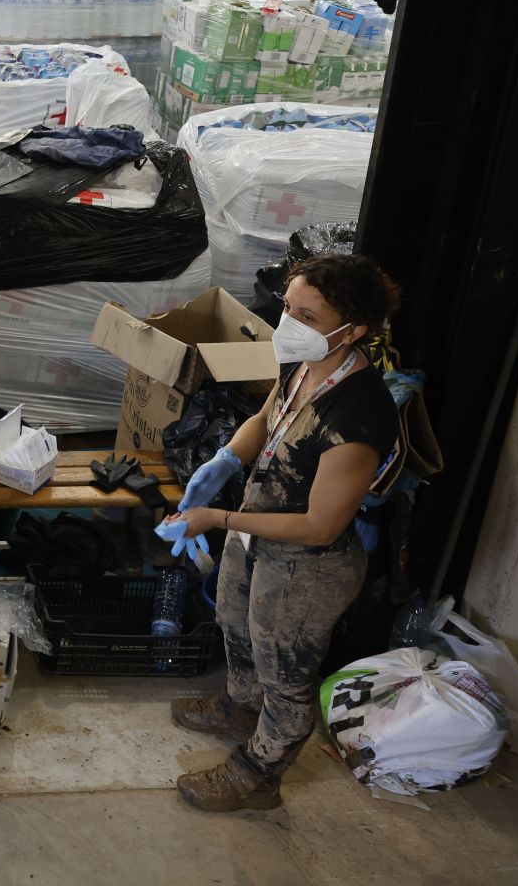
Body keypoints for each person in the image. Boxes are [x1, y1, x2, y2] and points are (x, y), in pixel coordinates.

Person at [159, 254, 400, 813]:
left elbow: (321, 526)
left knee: (285, 671)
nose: (288, 324)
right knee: (233, 621)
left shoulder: (358, 417)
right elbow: (267, 418)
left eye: (307, 316)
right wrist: (223, 459)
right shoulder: (302, 364)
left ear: (354, 329)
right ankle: (239, 707)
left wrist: (217, 518)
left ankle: (258, 775)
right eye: (287, 307)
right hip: (257, 533)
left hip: (307, 565)